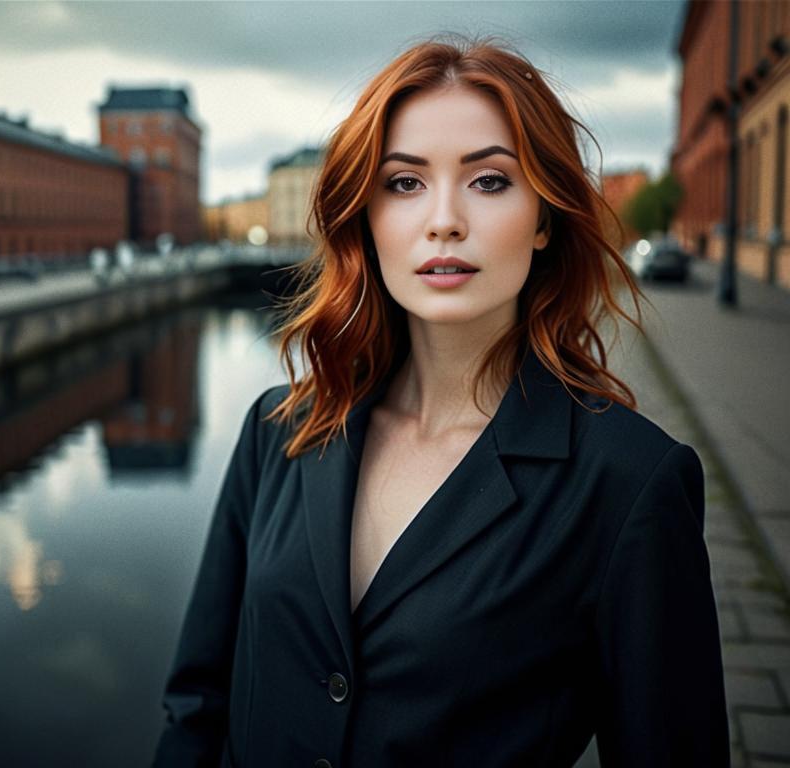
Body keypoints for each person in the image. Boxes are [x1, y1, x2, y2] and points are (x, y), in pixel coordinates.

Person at [153, 37, 729, 768]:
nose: (444, 220)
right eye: (403, 183)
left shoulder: (629, 484)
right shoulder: (280, 430)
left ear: (546, 216)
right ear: (364, 216)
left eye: (489, 181)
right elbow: (197, 704)